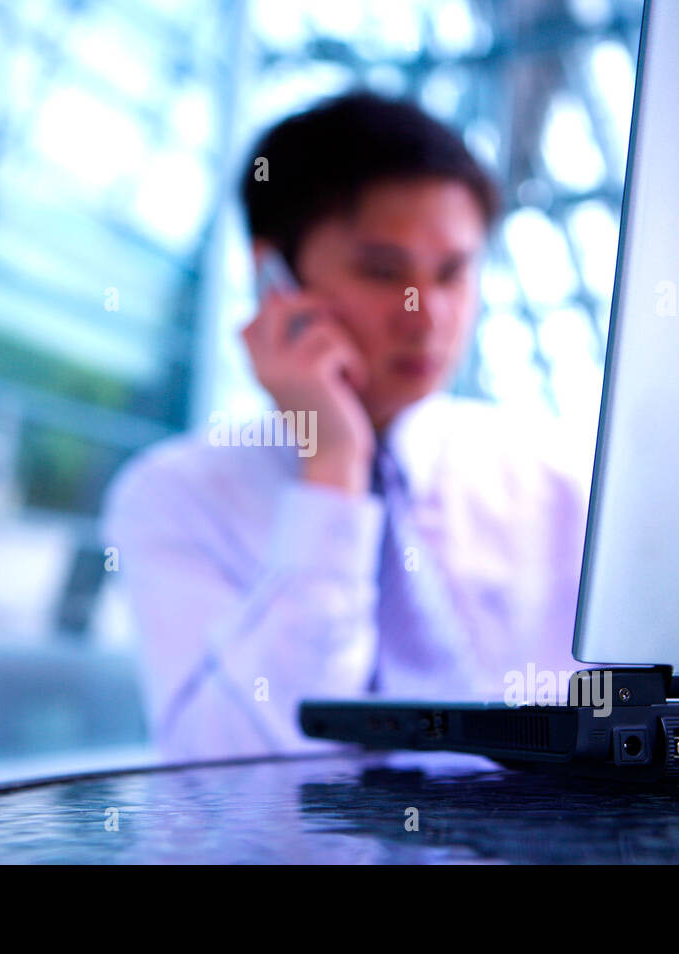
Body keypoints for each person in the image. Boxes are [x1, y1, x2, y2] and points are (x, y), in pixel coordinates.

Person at [100, 90, 594, 762]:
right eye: (383, 272)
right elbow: (227, 770)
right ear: (273, 275)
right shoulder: (177, 496)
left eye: (453, 273)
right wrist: (333, 469)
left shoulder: (559, 482)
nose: (426, 315)